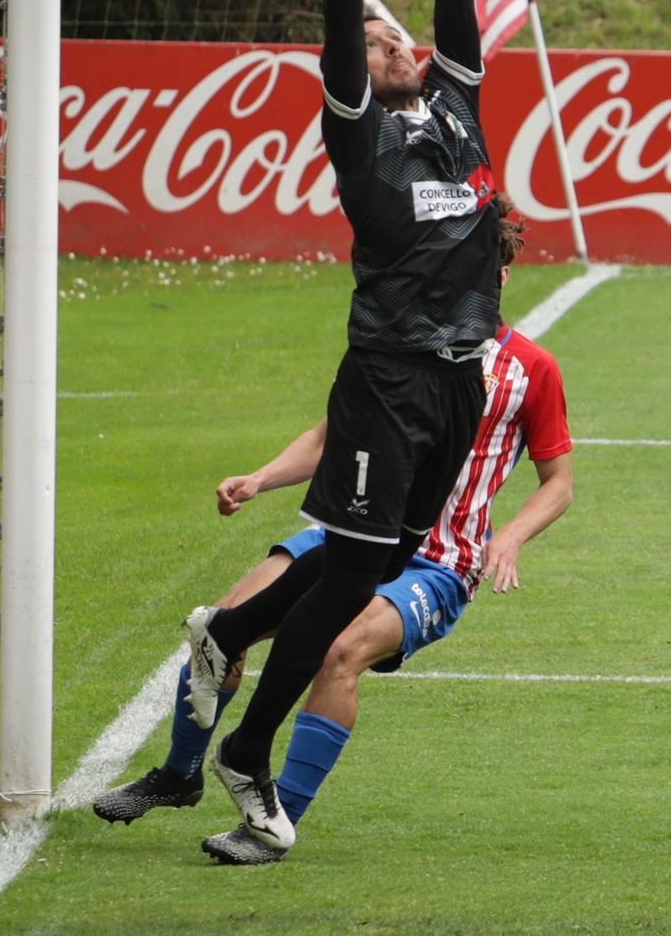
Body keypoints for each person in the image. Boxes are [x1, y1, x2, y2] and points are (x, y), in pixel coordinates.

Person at [180, 0, 501, 852]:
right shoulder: (361, 146)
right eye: (373, 40)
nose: (392, 39)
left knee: (381, 554)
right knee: (357, 569)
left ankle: (228, 634)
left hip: (461, 379)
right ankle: (243, 750)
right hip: (389, 381)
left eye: (390, 35)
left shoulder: (455, 105)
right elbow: (336, 24)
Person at [94, 200, 574, 865]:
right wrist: (261, 477)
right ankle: (179, 773)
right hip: (357, 527)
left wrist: (512, 533)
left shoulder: (532, 370)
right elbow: (331, 436)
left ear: (500, 273)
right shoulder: (400, 341)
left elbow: (559, 481)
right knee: (227, 616)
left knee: (340, 648)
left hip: (438, 563)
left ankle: (270, 818)